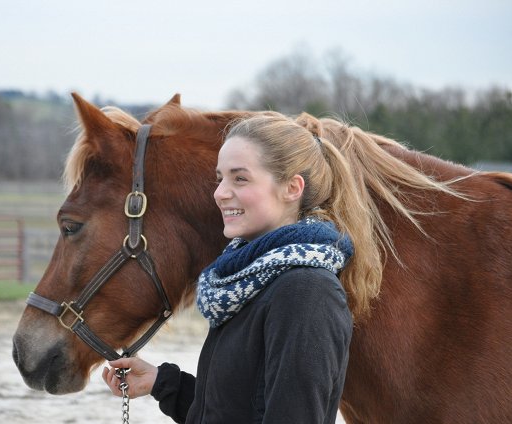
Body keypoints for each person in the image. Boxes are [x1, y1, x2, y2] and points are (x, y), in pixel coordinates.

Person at [102, 111, 383, 423]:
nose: (220, 193)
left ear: (292, 188)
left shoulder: (306, 292)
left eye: (240, 178)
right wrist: (161, 383)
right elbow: (234, 411)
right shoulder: (249, 281)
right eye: (220, 178)